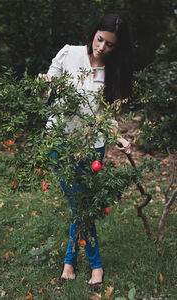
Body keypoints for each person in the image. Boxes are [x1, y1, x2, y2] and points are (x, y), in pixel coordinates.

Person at [38, 13, 132, 287]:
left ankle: (69, 262)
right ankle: (96, 265)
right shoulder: (69, 53)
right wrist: (43, 86)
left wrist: (119, 138)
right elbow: (46, 95)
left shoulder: (112, 73)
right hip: (59, 141)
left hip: (93, 147)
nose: (101, 47)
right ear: (94, 33)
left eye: (110, 45)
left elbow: (107, 117)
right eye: (100, 39)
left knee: (81, 205)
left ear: (117, 48)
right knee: (80, 204)